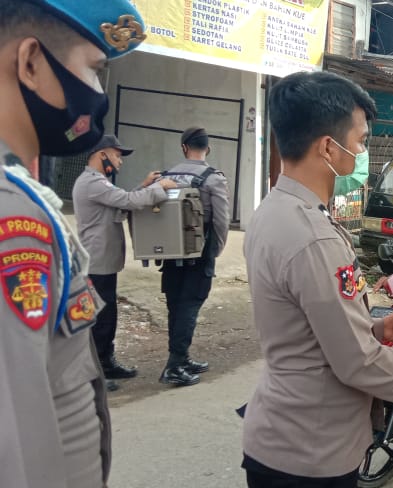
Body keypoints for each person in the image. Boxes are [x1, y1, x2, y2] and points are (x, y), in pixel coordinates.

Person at [242, 71, 393, 487]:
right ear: (327, 147)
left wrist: (377, 326)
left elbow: (313, 330)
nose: (359, 152)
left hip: (285, 433)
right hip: (312, 450)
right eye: (360, 141)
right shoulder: (313, 237)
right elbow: (356, 362)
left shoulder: (273, 212)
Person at [0, 0, 148, 486]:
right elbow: (16, 438)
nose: (97, 95)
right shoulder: (14, 218)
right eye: (93, 69)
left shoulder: (23, 196)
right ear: (29, 62)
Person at [72, 135, 176, 391]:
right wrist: (160, 187)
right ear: (101, 155)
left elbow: (122, 203)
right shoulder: (91, 183)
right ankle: (94, 375)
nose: (120, 162)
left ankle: (106, 363)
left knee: (108, 316)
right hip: (97, 262)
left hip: (105, 261)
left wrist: (144, 185)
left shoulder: (100, 183)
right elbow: (128, 202)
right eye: (117, 155)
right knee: (99, 320)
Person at [157, 127, 230, 387]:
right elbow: (221, 220)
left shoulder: (165, 176)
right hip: (200, 250)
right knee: (190, 304)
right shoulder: (213, 178)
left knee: (175, 303)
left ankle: (180, 357)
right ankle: (175, 365)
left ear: (184, 147)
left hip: (169, 250)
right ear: (207, 149)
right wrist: (216, 249)